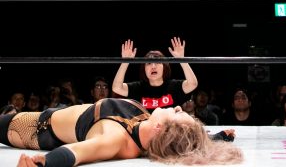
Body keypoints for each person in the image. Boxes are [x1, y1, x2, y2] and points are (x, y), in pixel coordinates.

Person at [0, 98, 243, 166]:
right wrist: (214, 138)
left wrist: (43, 163)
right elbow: (182, 142)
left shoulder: (116, 140)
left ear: (161, 128)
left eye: (177, 113)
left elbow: (76, 153)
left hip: (32, 128)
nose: (178, 107)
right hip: (60, 112)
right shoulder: (147, 126)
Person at [112, 37, 198, 110]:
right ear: (144, 69)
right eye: (149, 63)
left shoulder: (174, 86)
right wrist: (125, 62)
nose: (153, 66)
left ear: (164, 67)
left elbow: (192, 84)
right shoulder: (137, 88)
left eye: (157, 62)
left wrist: (181, 59)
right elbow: (116, 88)